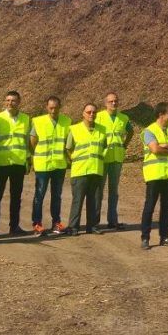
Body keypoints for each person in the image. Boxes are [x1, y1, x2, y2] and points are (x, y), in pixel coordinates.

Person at [139, 102, 168, 249]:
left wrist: (164, 145)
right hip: (154, 175)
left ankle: (164, 237)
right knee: (149, 207)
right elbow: (155, 149)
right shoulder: (149, 131)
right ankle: (145, 238)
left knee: (166, 208)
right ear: (161, 115)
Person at [0, 91, 31, 237]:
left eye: (13, 101)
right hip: (1, 163)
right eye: (7, 100)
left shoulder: (25, 119)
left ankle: (14, 226)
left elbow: (26, 142)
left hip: (18, 163)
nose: (10, 103)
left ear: (19, 102)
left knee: (16, 197)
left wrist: (28, 160)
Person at [29, 95, 71, 236]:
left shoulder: (67, 121)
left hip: (59, 164)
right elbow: (32, 142)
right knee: (39, 195)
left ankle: (56, 223)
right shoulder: (38, 121)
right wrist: (33, 159)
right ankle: (37, 224)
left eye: (56, 108)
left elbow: (67, 142)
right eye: (51, 108)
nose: (53, 110)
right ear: (47, 107)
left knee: (57, 195)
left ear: (60, 107)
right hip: (43, 165)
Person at [64, 103, 105, 235]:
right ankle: (73, 227)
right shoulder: (75, 129)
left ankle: (92, 226)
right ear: (83, 113)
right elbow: (68, 148)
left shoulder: (102, 130)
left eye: (94, 112)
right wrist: (75, 160)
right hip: (80, 171)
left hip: (96, 170)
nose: (91, 114)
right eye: (89, 112)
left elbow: (103, 147)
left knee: (95, 200)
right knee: (78, 200)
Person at [95, 92, 133, 231]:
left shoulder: (123, 118)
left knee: (113, 190)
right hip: (103, 157)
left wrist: (124, 145)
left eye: (116, 101)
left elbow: (130, 131)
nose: (114, 103)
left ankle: (113, 220)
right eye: (111, 101)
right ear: (105, 103)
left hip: (117, 157)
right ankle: (95, 221)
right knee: (98, 190)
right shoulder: (98, 116)